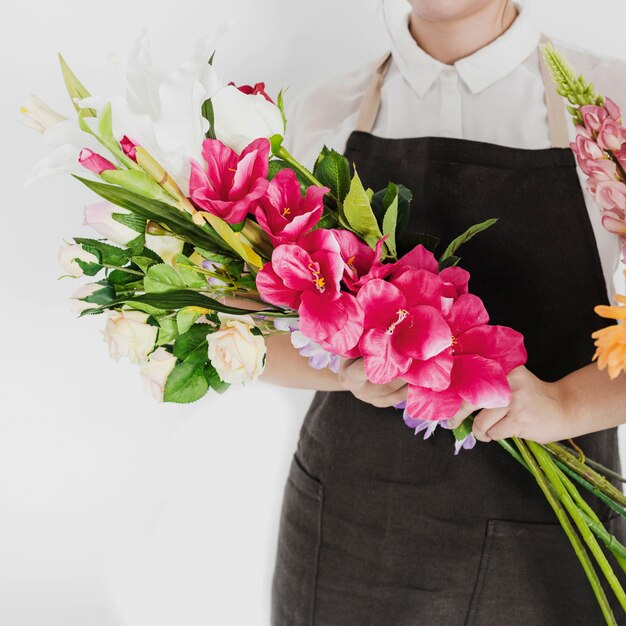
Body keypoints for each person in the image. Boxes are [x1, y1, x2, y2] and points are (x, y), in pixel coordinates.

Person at [263, 0, 626, 623]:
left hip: (550, 533)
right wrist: (344, 371)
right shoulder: (323, 111)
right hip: (352, 534)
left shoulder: (609, 104)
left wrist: (564, 403)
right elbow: (248, 334)